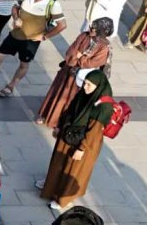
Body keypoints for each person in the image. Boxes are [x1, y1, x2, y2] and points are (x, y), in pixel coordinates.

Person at [38, 69, 114, 212]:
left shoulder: (103, 107)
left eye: (89, 85)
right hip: (70, 133)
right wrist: (60, 126)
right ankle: (51, 186)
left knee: (73, 170)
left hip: (84, 142)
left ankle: (64, 200)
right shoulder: (84, 94)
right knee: (59, 163)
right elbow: (70, 110)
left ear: (98, 86)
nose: (84, 87)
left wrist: (81, 148)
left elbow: (94, 132)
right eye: (85, 83)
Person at [0, 0, 66, 98]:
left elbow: (62, 25)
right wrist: (16, 17)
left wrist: (45, 36)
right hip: (16, 34)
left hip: (31, 40)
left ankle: (11, 86)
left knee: (24, 64)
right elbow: (15, 7)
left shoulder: (53, 4)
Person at [38, 18, 113, 127]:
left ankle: (60, 122)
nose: (90, 29)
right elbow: (71, 52)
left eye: (94, 28)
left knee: (70, 100)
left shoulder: (104, 47)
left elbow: (92, 63)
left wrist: (80, 57)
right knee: (57, 94)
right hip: (68, 71)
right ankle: (47, 116)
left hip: (82, 78)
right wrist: (77, 58)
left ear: (101, 30)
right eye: (91, 26)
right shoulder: (84, 36)